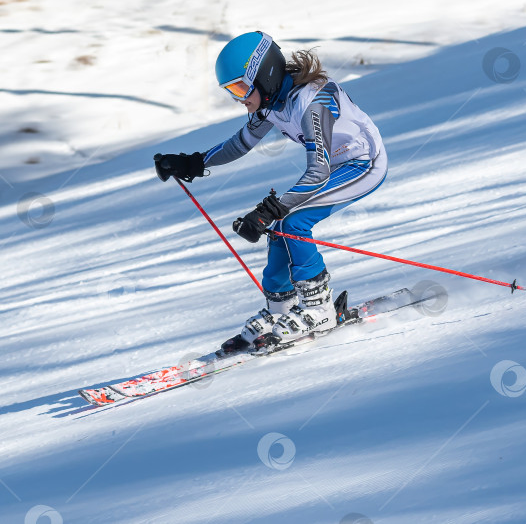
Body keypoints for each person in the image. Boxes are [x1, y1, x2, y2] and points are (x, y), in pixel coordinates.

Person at [154, 31, 387, 354]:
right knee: (280, 227)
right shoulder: (270, 103)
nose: (239, 99)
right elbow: (241, 143)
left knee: (292, 224)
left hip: (363, 163)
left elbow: (317, 172)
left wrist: (270, 210)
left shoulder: (311, 103)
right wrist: (193, 163)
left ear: (264, 75)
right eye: (231, 91)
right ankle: (281, 310)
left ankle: (319, 310)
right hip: (334, 166)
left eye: (240, 88)